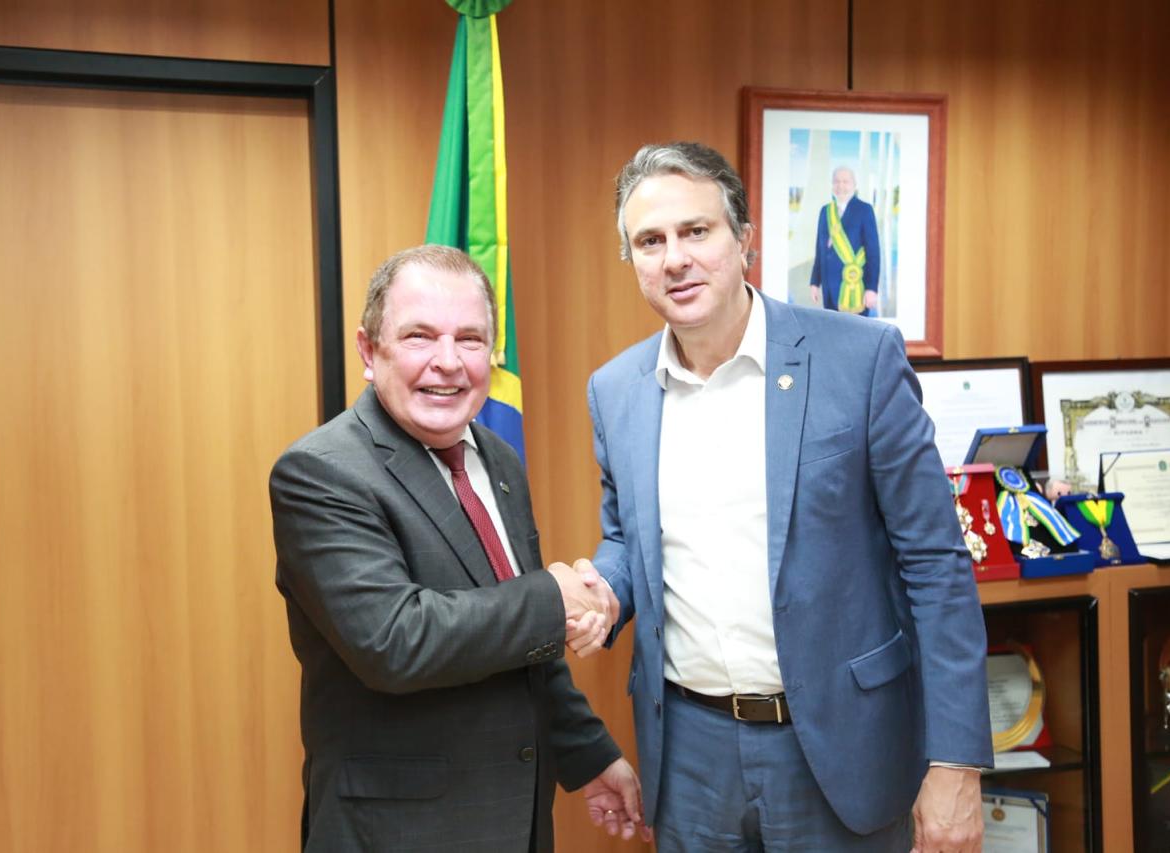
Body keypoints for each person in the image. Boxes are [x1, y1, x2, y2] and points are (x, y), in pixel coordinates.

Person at [576, 143, 992, 852]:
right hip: (690, 754)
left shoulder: (860, 360)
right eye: (650, 241)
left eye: (696, 231)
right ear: (633, 260)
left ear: (745, 239)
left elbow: (936, 565)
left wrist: (956, 762)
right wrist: (604, 592)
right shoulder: (615, 390)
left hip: (840, 747)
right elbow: (629, 538)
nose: (675, 259)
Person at [270, 244, 649, 851]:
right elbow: (395, 640)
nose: (447, 362)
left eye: (470, 340)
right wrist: (554, 597)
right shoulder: (321, 472)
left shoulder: (497, 459)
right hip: (397, 833)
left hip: (514, 823)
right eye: (419, 336)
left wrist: (590, 755)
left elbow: (525, 644)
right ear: (369, 351)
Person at [810, 166, 881, 315]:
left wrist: (871, 289)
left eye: (845, 182)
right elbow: (820, 250)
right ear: (832, 185)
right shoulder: (825, 211)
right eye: (836, 181)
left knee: (856, 330)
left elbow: (873, 252)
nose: (840, 186)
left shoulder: (865, 210)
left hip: (856, 289)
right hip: (829, 289)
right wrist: (815, 282)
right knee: (831, 329)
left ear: (854, 185)